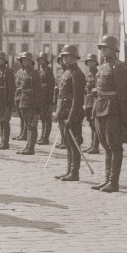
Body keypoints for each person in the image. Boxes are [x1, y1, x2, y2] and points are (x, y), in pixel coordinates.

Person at [91, 35, 127, 193]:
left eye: (106, 47)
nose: (103, 50)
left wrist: (125, 119)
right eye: (101, 47)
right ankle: (106, 179)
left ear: (114, 49)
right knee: (106, 146)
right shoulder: (102, 67)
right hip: (101, 108)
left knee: (115, 146)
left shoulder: (119, 67)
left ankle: (113, 182)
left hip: (113, 110)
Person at [54, 45, 86, 179]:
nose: (64, 58)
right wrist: (58, 112)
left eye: (67, 56)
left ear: (74, 58)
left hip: (72, 114)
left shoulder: (77, 74)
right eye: (63, 56)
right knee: (67, 142)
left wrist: (71, 117)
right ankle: (68, 170)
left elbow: (78, 99)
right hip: (63, 112)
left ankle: (74, 172)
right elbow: (61, 95)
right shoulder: (65, 73)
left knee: (74, 142)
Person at [13, 51, 42, 155]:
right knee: (28, 124)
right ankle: (27, 145)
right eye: (23, 60)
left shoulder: (35, 74)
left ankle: (31, 147)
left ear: (31, 61)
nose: (25, 62)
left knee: (32, 125)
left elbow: (38, 91)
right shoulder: (23, 73)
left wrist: (37, 107)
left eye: (26, 60)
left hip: (31, 103)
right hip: (23, 101)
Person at [0, 51, 16, 150]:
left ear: (4, 61)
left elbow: (11, 88)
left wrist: (9, 104)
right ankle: (2, 141)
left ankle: (5, 143)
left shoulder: (8, 72)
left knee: (5, 121)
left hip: (4, 101)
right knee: (0, 121)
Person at [35, 52, 56, 146]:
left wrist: (50, 101)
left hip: (47, 98)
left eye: (42, 59)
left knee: (47, 118)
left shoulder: (48, 71)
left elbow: (51, 87)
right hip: (41, 98)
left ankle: (45, 138)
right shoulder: (41, 71)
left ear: (46, 61)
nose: (40, 61)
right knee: (43, 118)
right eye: (39, 59)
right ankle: (42, 136)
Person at [82, 53, 100, 154]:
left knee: (94, 124)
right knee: (91, 123)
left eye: (91, 61)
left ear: (95, 63)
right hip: (88, 101)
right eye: (88, 62)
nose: (90, 63)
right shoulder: (89, 74)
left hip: (94, 101)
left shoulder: (97, 74)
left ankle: (95, 146)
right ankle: (92, 145)